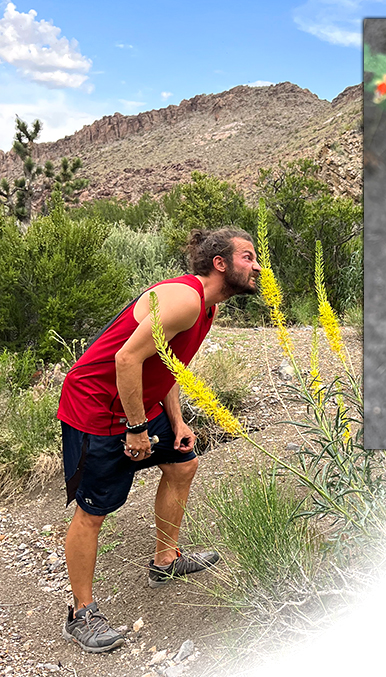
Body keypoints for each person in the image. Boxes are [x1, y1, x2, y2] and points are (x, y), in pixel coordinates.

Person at [56, 228, 261, 652]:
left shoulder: (207, 308)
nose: (257, 266)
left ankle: (165, 560)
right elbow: (126, 358)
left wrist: (176, 421)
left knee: (183, 463)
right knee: (93, 510)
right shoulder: (186, 300)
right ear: (220, 264)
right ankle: (80, 614)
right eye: (248, 257)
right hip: (98, 409)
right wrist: (136, 429)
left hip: (135, 404)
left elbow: (163, 365)